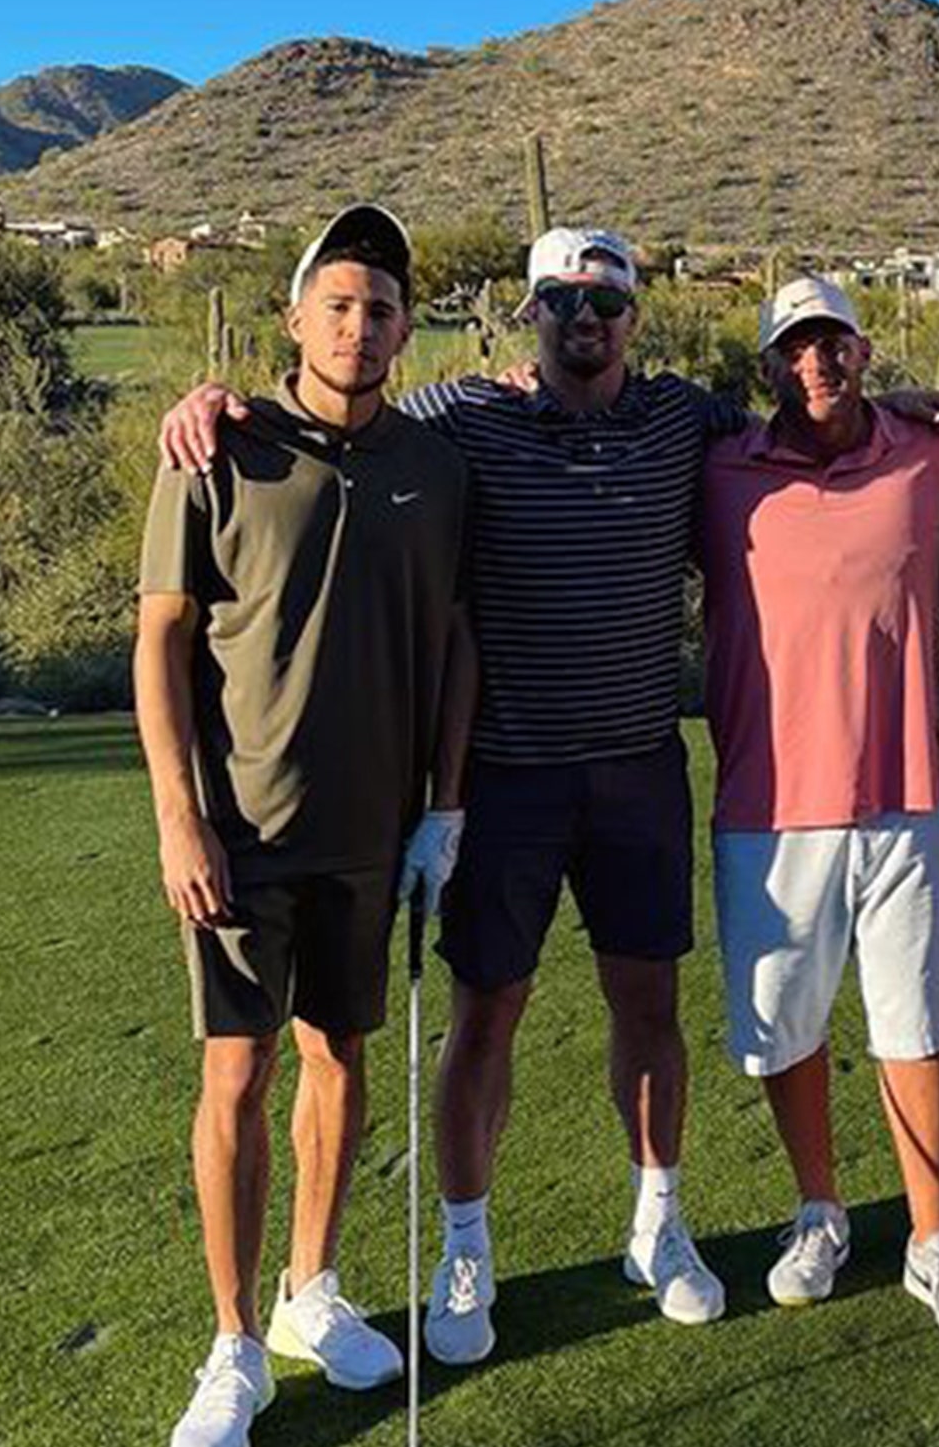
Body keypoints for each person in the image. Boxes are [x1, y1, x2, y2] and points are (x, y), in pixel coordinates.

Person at [156, 227, 741, 1365]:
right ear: (529, 314)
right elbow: (335, 407)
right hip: (507, 780)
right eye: (561, 299)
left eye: (606, 303)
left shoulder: (685, 420)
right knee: (486, 1015)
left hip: (636, 767)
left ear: (633, 317)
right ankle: (463, 1252)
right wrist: (211, 397)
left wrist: (910, 401)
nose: (586, 318)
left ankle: (656, 1227)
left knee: (649, 1006)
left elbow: (801, 428)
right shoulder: (460, 417)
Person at [139, 205, 471, 1447]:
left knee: (341, 1056)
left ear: (403, 326)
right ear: (294, 320)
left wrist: (443, 802)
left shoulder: (436, 466)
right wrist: (179, 815)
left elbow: (450, 643)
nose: (360, 323)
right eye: (337, 303)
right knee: (238, 1073)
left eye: (381, 305)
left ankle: (308, 1292)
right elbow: (161, 640)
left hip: (369, 834)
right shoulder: (214, 449)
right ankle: (231, 1343)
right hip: (236, 832)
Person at [697, 275, 939, 1337]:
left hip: (903, 792)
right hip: (768, 803)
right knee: (786, 1027)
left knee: (913, 1022)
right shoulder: (719, 469)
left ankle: (933, 1239)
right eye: (794, 347)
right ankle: (819, 1213)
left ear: (863, 352)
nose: (815, 363)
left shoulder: (926, 452)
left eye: (832, 342)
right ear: (769, 366)